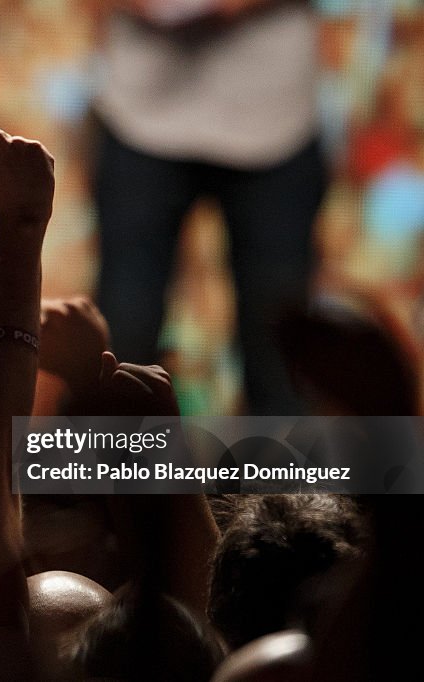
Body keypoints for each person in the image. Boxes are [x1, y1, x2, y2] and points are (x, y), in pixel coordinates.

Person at [92, 0, 327, 414]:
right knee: (124, 335)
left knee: (280, 351)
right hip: (140, 114)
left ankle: (278, 475)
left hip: (276, 119)